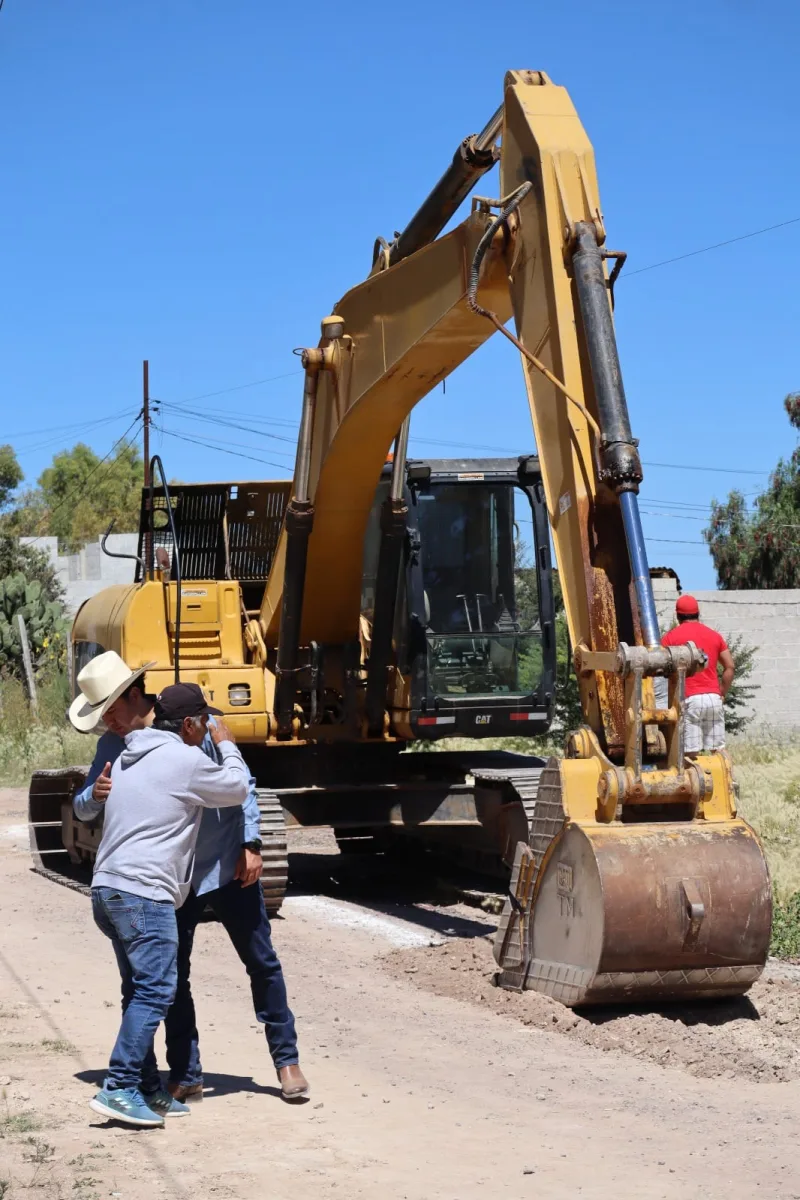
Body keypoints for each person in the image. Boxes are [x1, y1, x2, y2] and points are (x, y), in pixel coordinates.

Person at [71, 652, 308, 1106]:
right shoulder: (114, 748)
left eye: (111, 714)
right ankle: (185, 1074)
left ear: (134, 696)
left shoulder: (194, 730)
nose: (108, 725)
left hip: (225, 867)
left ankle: (286, 1060)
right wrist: (93, 796)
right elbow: (83, 807)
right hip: (169, 882)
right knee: (171, 979)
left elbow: (244, 787)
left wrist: (251, 843)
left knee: (261, 962)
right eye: (101, 718)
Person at [86, 680, 250, 1127]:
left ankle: (150, 1089)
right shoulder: (186, 758)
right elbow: (237, 788)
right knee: (157, 990)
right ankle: (119, 1087)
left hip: (108, 889)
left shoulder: (127, 755)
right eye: (206, 723)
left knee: (137, 990)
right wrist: (227, 744)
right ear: (194, 724)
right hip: (144, 893)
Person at [661, 594, 735, 755]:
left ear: (678, 615)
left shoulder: (670, 638)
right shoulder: (715, 635)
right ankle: (727, 779)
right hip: (713, 699)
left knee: (690, 754)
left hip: (690, 699)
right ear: (698, 613)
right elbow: (730, 666)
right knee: (719, 751)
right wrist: (721, 692)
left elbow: (659, 667)